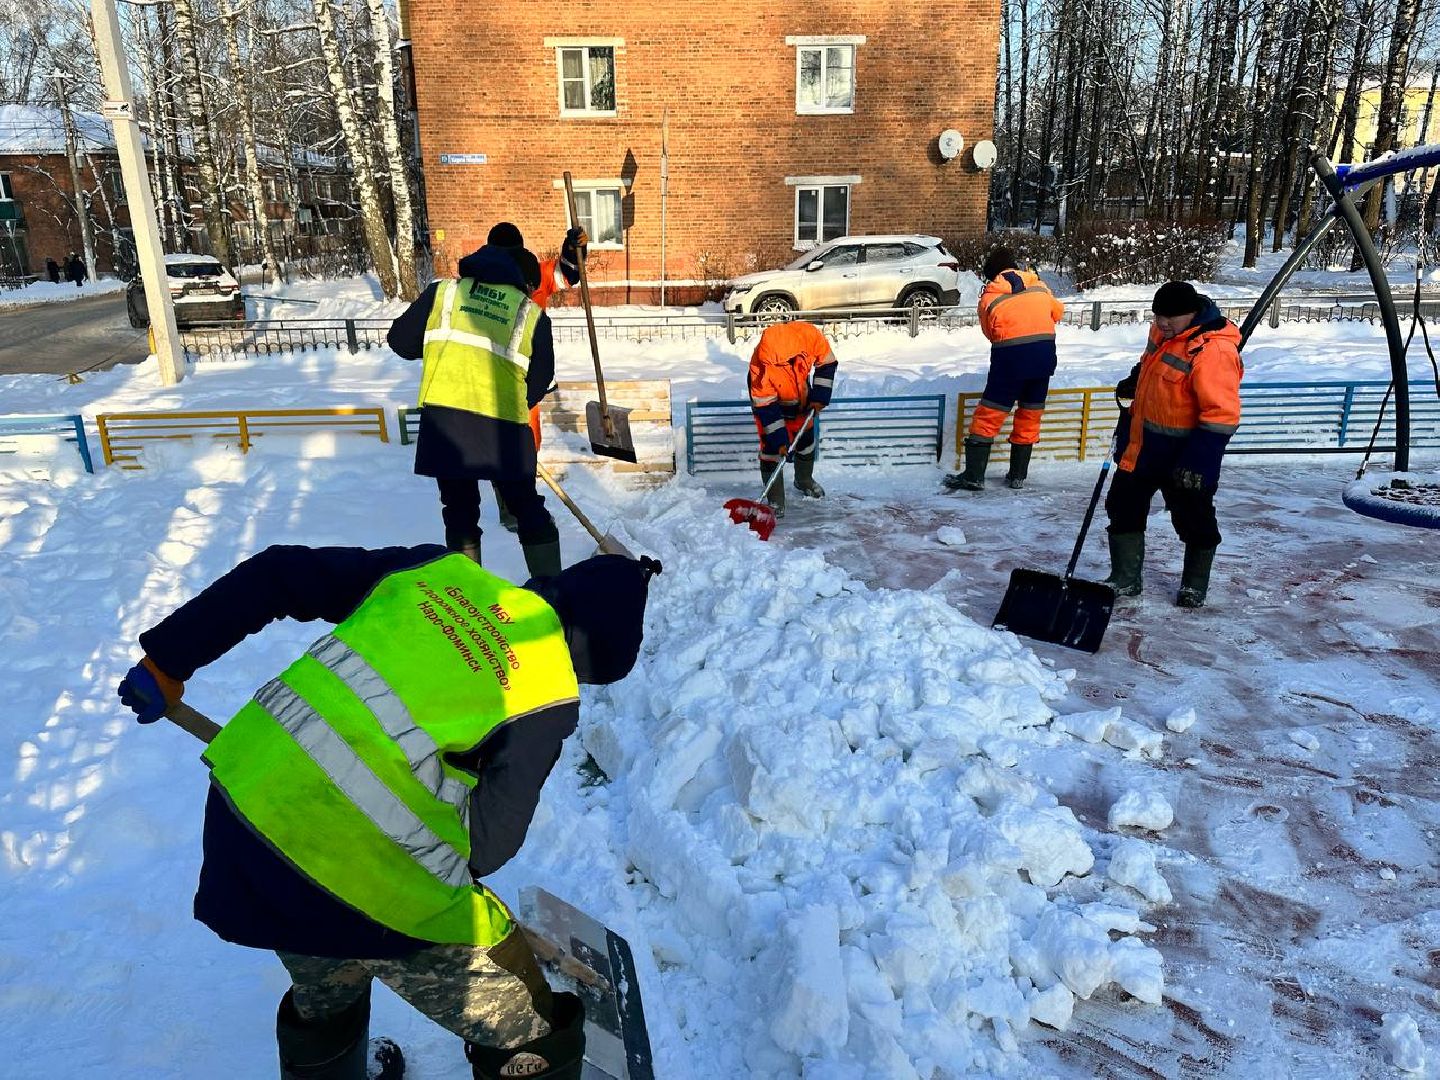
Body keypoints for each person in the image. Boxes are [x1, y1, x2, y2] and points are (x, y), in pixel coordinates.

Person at [114, 543, 661, 1079]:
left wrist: (168, 658)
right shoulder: (546, 691)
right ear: (593, 664)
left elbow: (278, 572)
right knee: (531, 1028)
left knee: (328, 976)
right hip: (368, 881)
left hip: (247, 824)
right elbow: (488, 847)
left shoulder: (433, 572)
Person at [387, 224, 560, 577]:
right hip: (505, 429)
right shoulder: (530, 315)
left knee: (460, 512)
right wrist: (514, 401)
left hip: (446, 423)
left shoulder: (443, 295)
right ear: (520, 281)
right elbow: (540, 380)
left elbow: (400, 342)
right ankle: (552, 593)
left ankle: (469, 598)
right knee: (527, 508)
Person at [1104, 280, 1242, 608]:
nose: (1162, 323)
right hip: (1142, 444)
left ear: (1192, 314)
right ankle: (1125, 579)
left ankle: (1194, 584)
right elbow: (1151, 363)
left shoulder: (1214, 351)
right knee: (1122, 505)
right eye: (1157, 316)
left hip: (1185, 453)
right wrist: (1137, 378)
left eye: (1170, 318)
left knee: (1193, 518)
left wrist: (1200, 462)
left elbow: (1221, 414)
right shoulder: (1161, 334)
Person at [488, 224, 589, 534]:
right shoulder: (479, 283)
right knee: (500, 447)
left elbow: (566, 274)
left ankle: (523, 501)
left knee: (527, 442)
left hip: (527, 376)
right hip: (492, 377)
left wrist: (574, 250)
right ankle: (511, 506)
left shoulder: (534, 274)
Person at [944, 247, 1064, 492]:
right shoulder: (1039, 287)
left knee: (988, 416)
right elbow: (1058, 313)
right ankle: (1018, 476)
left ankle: (974, 476)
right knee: (1030, 415)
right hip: (1043, 360)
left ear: (991, 276)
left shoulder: (990, 297)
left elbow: (990, 333)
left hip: (1009, 361)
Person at [748, 319, 838, 516]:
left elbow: (827, 362)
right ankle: (775, 500)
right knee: (772, 449)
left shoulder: (809, 336)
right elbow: (766, 406)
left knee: (806, 442)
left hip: (801, 396)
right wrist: (780, 441)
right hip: (769, 405)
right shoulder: (760, 368)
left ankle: (803, 480)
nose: (770, 365)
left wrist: (820, 396)